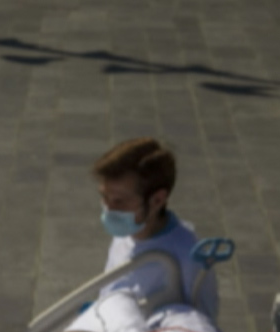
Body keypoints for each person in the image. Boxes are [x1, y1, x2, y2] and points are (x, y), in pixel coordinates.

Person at [93, 137, 219, 320]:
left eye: (119, 201)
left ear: (157, 200)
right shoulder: (125, 235)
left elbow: (203, 324)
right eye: (104, 197)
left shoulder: (188, 254)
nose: (109, 209)